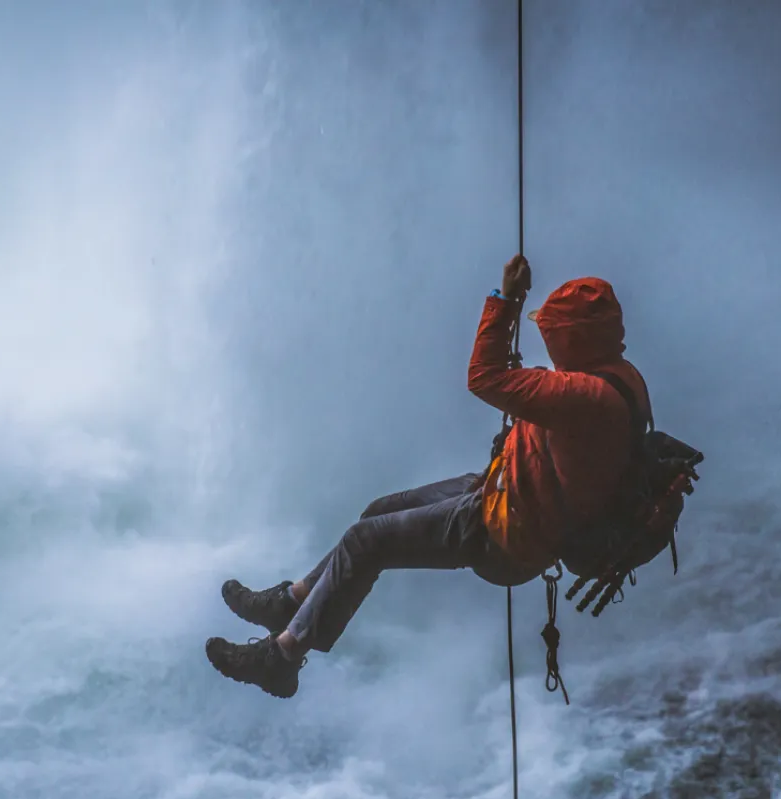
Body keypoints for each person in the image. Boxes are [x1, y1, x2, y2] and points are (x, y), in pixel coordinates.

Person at [205, 254, 652, 698]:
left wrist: (507, 301)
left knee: (366, 540)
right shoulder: (618, 377)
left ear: (572, 339)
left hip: (507, 531)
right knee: (379, 512)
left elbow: (484, 377)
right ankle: (291, 603)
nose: (547, 342)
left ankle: (281, 658)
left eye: (551, 333)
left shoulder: (583, 395)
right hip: (509, 487)